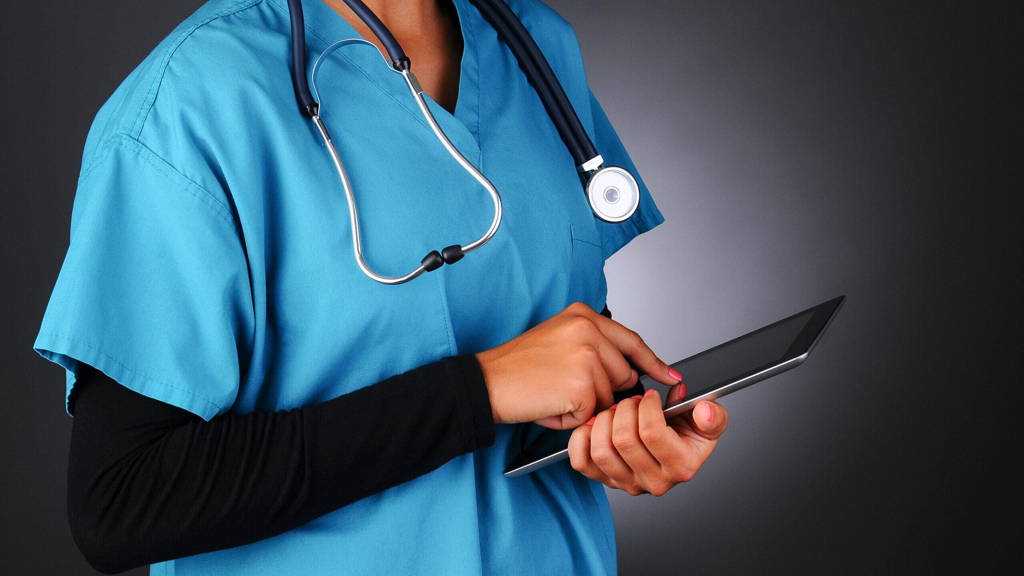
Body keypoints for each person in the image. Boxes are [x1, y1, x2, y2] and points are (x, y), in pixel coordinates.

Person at [32, 0, 729, 574]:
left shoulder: (536, 46)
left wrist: (622, 426)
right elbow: (121, 502)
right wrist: (477, 391)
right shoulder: (193, 99)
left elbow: (549, 339)